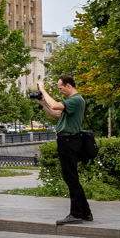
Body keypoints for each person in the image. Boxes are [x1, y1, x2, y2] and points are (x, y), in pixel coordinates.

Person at [38, 74, 92, 225]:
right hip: (67, 140)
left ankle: (76, 214)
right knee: (71, 177)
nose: (60, 91)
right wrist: (43, 103)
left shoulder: (76, 99)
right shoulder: (72, 101)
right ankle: (86, 212)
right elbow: (56, 114)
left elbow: (55, 106)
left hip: (69, 141)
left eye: (61, 88)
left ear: (69, 85)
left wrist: (43, 90)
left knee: (71, 178)